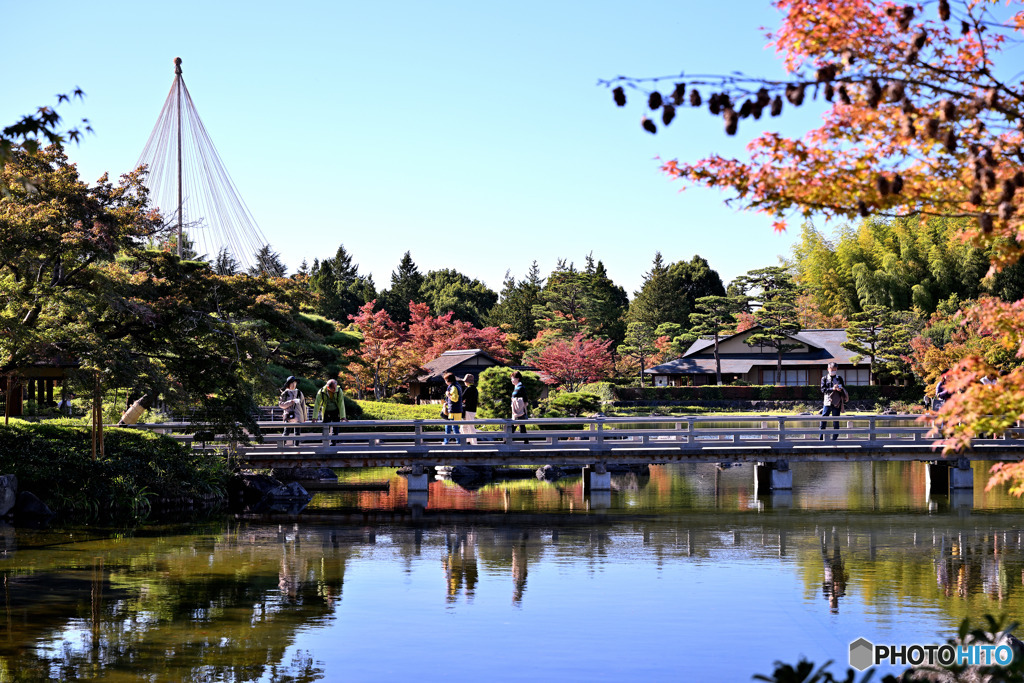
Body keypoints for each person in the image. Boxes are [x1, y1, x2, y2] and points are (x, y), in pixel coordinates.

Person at [819, 362, 848, 441]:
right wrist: (832, 388)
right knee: (823, 420)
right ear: (828, 369)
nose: (833, 371)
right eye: (832, 370)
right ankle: (821, 438)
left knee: (836, 421)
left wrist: (840, 389)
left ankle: (834, 439)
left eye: (835, 370)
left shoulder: (839, 378)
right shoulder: (824, 378)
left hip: (836, 402)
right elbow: (823, 390)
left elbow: (843, 389)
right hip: (827, 401)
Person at [313, 379, 347, 445]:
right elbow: (317, 404)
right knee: (325, 427)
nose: (335, 389)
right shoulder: (321, 391)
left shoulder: (339, 391)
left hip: (335, 410)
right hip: (326, 410)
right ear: (328, 388)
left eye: (335, 387)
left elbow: (341, 404)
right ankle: (325, 444)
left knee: (335, 428)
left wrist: (343, 416)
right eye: (333, 388)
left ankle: (333, 444)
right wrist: (315, 417)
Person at [279, 376, 306, 446]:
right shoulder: (285, 393)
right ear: (288, 384)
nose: (293, 385)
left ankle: (296, 448)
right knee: (286, 432)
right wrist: (291, 402)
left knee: (297, 433)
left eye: (295, 383)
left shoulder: (299, 393)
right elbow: (281, 405)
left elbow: (303, 405)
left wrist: (304, 417)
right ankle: (282, 447)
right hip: (288, 415)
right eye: (291, 383)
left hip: (298, 415)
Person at [442, 372, 463, 444]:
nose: (445, 382)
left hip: (454, 411)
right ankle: (448, 441)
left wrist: (448, 395)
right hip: (455, 410)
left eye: (445, 380)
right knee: (451, 427)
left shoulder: (453, 387)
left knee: (453, 427)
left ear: (448, 380)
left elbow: (455, 399)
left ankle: (457, 442)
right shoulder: (457, 385)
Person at [461, 374, 478, 445]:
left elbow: (462, 397)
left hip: (468, 410)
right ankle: (469, 441)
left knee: (468, 427)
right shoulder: (475, 389)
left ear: (467, 381)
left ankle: (472, 443)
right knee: (465, 426)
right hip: (473, 409)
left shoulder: (469, 389)